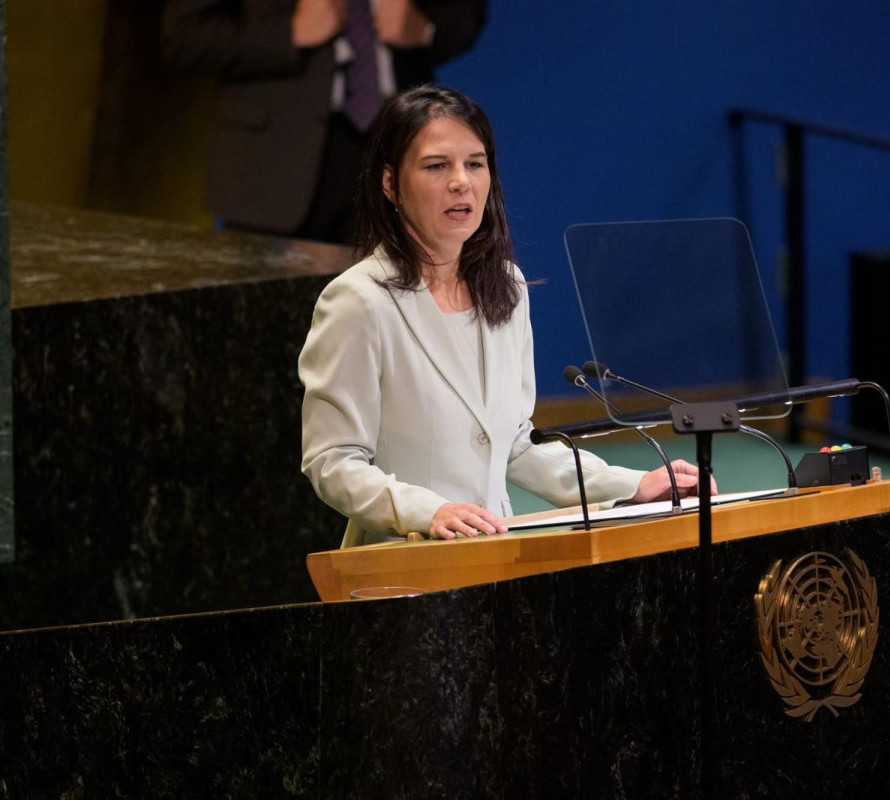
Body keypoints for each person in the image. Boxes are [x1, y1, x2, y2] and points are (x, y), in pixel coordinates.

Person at [298, 85, 709, 545]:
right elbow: (332, 461)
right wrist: (427, 511)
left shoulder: (506, 286)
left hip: (496, 549)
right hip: (402, 557)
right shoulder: (358, 300)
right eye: (436, 166)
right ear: (390, 183)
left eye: (475, 164)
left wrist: (632, 485)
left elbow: (514, 445)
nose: (461, 182)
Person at [161, 0, 486, 243]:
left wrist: (425, 29)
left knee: (387, 311)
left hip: (393, 148)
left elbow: (465, 15)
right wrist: (290, 32)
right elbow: (185, 36)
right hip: (270, 159)